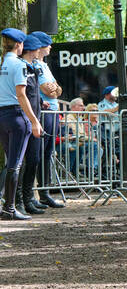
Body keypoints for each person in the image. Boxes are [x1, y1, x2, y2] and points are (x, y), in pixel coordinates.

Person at [0, 28, 43, 220]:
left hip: (1, 117)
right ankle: (9, 208)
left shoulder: (1, 63)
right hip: (16, 116)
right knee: (15, 164)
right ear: (19, 45)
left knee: (11, 162)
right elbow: (21, 95)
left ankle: (7, 205)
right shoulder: (19, 65)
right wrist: (34, 121)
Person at [30, 31, 64, 208]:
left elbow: (58, 90)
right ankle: (36, 193)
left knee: (48, 153)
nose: (50, 46)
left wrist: (55, 89)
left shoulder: (45, 65)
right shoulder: (35, 64)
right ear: (42, 46)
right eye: (48, 44)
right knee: (40, 153)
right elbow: (46, 89)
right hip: (45, 113)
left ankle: (45, 192)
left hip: (53, 112)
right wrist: (53, 89)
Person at [18, 35, 46, 215]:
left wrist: (41, 102)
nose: (39, 51)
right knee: (20, 162)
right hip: (27, 120)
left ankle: (28, 198)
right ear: (31, 50)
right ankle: (18, 199)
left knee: (34, 159)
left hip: (35, 118)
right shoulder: (21, 67)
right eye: (37, 49)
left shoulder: (33, 68)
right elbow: (21, 94)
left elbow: (32, 93)